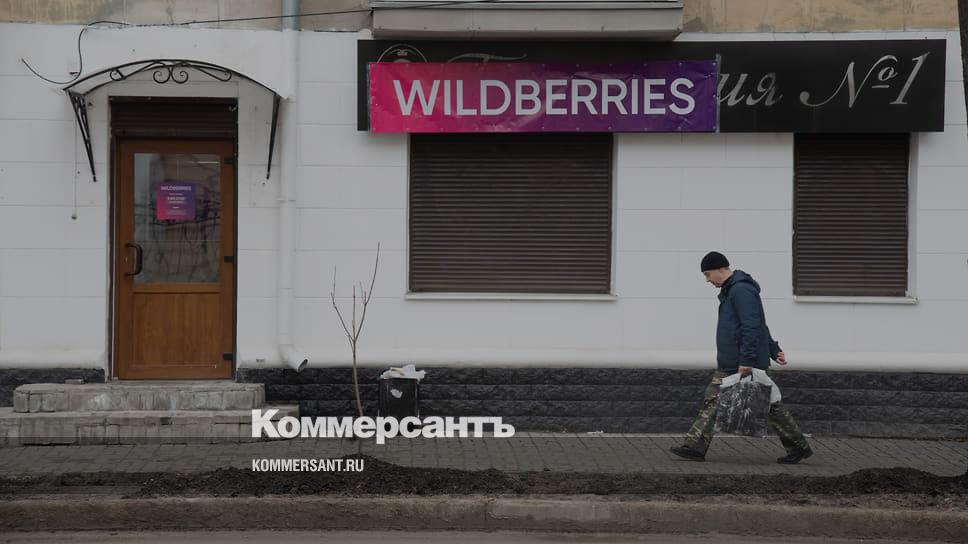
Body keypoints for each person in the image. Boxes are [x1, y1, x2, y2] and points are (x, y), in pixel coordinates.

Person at [670, 251, 813, 464]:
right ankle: (694, 447)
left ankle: (695, 447)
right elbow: (757, 324)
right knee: (726, 400)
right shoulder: (732, 290)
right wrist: (773, 350)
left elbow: (753, 325)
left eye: (708, 274)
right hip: (735, 360)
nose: (707, 280)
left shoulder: (741, 290)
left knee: (766, 404)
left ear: (721, 269)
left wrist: (747, 360)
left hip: (742, 362)